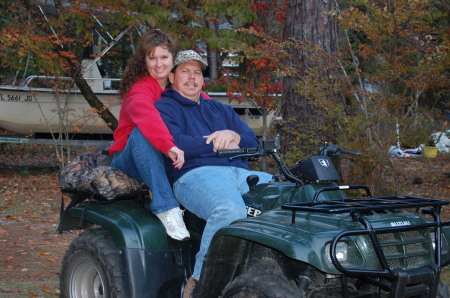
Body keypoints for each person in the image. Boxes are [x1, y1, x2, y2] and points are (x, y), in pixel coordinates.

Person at [155, 50, 273, 297]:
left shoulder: (220, 109)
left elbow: (252, 140)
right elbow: (176, 142)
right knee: (229, 209)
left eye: (197, 73)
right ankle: (199, 282)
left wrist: (234, 136)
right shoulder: (165, 107)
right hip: (194, 175)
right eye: (185, 71)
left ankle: (270, 273)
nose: (191, 78)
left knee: (284, 197)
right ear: (173, 76)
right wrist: (215, 141)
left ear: (202, 79)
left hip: (240, 173)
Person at [108, 29, 190, 241]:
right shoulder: (140, 89)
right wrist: (167, 144)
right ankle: (166, 208)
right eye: (152, 58)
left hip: (163, 157)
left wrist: (228, 133)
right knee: (141, 134)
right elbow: (147, 117)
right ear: (143, 61)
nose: (158, 63)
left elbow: (204, 107)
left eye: (164, 57)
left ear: (173, 59)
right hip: (130, 157)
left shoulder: (178, 87)